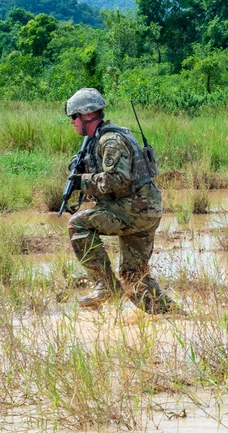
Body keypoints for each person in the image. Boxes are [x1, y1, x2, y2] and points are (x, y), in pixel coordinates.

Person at [64, 88, 176, 313]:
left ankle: (105, 286)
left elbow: (118, 180)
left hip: (136, 209)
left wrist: (82, 182)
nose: (72, 122)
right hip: (144, 209)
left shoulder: (110, 140)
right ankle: (172, 319)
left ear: (87, 115)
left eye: (74, 116)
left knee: (78, 224)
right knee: (133, 277)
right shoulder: (101, 139)